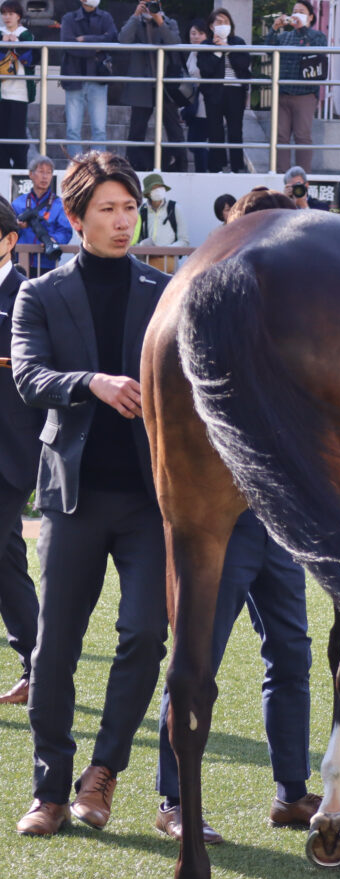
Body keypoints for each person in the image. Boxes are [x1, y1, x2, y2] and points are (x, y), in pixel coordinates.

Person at [11, 152, 171, 837]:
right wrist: (93, 383)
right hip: (70, 497)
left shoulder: (163, 291)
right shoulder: (39, 293)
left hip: (146, 500)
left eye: (130, 208)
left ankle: (102, 772)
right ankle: (49, 789)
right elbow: (28, 376)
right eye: (106, 209)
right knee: (55, 646)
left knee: (144, 633)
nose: (121, 221)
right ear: (74, 218)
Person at [153, 511, 322, 842]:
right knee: (196, 664)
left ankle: (291, 796)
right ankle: (174, 804)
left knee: (292, 657)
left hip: (278, 519)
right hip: (220, 521)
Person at [0, 197, 36, 705]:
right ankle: (39, 664)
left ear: (9, 240)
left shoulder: (29, 295)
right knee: (7, 559)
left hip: (12, 453)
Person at [119, 0, 187, 173]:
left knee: (174, 128)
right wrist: (135, 16)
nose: (149, 7)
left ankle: (181, 166)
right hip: (142, 84)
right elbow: (123, 39)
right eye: (146, 3)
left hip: (165, 84)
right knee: (137, 129)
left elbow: (174, 43)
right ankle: (132, 167)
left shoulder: (170, 22)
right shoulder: (136, 22)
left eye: (153, 2)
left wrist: (160, 21)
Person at [263, 0, 328, 174]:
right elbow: (268, 50)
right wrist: (275, 28)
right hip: (283, 92)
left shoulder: (317, 36)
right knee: (281, 136)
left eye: (301, 11)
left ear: (310, 17)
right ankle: (281, 173)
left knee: (302, 136)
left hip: (305, 93)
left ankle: (302, 176)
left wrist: (303, 29)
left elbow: (319, 51)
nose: (296, 14)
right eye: (294, 11)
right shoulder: (284, 37)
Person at [59, 0, 117, 158]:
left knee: (99, 129)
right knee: (72, 129)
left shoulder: (106, 17)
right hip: (74, 78)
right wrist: (97, 46)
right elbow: (68, 44)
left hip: (97, 78)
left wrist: (84, 39)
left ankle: (100, 165)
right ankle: (75, 166)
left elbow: (112, 39)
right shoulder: (69, 18)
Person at [197, 8, 250, 174]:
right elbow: (205, 68)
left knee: (235, 130)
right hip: (214, 92)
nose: (222, 25)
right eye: (218, 22)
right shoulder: (206, 45)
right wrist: (218, 51)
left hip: (235, 92)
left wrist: (228, 47)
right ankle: (216, 168)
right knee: (215, 130)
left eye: (225, 21)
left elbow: (244, 64)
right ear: (211, 26)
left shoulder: (238, 42)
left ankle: (236, 168)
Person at [13, 155, 74, 278]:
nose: (45, 176)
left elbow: (65, 230)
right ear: (31, 175)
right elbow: (7, 231)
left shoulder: (59, 204)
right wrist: (17, 226)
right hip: (21, 260)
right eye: (41, 172)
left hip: (47, 261)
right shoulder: (18, 202)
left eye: (49, 172)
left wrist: (54, 239)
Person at [0, 0, 33, 169]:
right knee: (2, 134)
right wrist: (3, 45)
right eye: (4, 13)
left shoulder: (26, 34)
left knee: (18, 135)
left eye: (11, 14)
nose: (7, 17)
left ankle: (20, 170)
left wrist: (16, 45)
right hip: (2, 92)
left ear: (18, 16)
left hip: (20, 92)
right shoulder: (0, 33)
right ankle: (3, 169)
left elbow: (31, 60)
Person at [133, 172, 188, 271]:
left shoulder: (174, 208)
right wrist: (144, 248)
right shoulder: (142, 211)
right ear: (148, 192)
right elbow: (135, 241)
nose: (158, 190)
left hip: (170, 264)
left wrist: (165, 250)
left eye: (160, 187)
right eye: (154, 188)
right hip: (148, 265)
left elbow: (184, 241)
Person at [183, 19, 210, 173]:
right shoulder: (192, 52)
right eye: (193, 33)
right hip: (193, 103)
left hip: (205, 104)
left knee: (197, 142)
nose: (196, 36)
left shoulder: (207, 52)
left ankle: (204, 171)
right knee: (194, 143)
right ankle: (203, 169)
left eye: (200, 33)